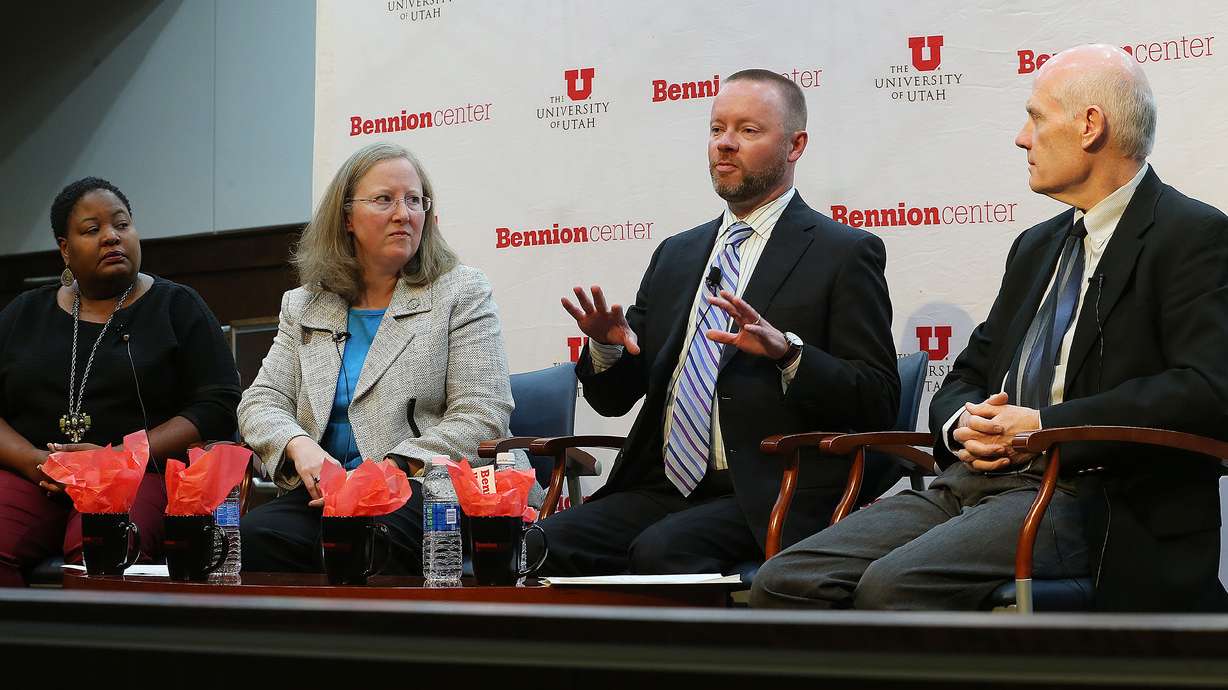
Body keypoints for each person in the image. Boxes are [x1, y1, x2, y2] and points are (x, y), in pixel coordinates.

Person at [752, 44, 1228, 612]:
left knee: (891, 587)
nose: (1021, 138)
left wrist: (1045, 425)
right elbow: (970, 371)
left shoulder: (1192, 236)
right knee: (785, 578)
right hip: (970, 484)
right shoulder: (1036, 246)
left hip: (1091, 495)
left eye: (1035, 117)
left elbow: (1207, 390)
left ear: (1090, 126)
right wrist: (961, 423)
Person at [532, 69, 900, 576]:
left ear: (795, 145)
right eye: (716, 129)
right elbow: (612, 400)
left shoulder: (843, 253)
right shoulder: (678, 255)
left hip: (773, 487)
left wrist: (790, 354)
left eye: (748, 131)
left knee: (662, 552)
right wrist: (606, 349)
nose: (725, 144)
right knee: (540, 543)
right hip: (663, 484)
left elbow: (879, 398)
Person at [239, 141, 538, 574]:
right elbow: (261, 401)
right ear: (346, 218)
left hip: (427, 490)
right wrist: (298, 446)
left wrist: (393, 467)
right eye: (385, 200)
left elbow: (483, 414)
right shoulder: (305, 305)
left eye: (414, 200)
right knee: (248, 541)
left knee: (364, 537)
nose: (404, 213)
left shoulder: (460, 292)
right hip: (327, 498)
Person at [0, 177, 241, 586]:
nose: (111, 237)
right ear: (64, 248)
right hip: (37, 476)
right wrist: (33, 460)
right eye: (92, 230)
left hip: (137, 478)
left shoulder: (176, 306)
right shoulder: (25, 313)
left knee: (103, 550)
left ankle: (99, 650)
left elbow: (217, 405)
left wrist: (119, 460)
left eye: (121, 225)